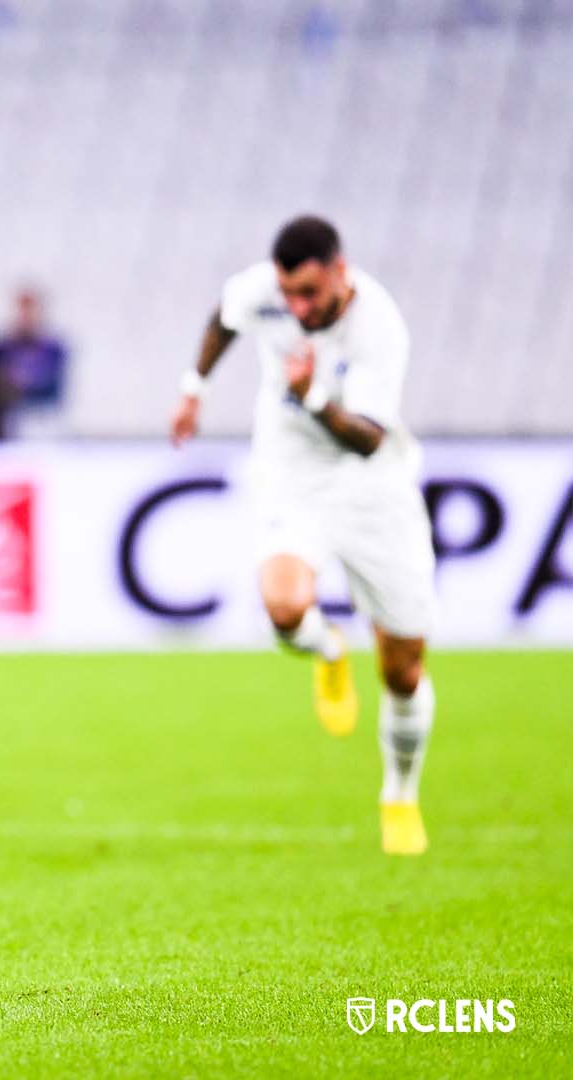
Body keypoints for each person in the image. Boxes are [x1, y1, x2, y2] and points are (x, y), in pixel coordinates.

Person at [170, 215, 436, 856]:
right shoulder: (261, 289)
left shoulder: (380, 327)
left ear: (340, 274)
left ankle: (399, 794)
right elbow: (223, 320)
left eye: (310, 295)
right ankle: (328, 649)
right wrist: (193, 390)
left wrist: (311, 396)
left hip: (375, 489)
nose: (297, 307)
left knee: (402, 670)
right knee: (285, 607)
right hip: (294, 479)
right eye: (289, 294)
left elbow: (369, 438)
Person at [0, 287, 68, 441]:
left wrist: (19, 383)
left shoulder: (52, 349)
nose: (26, 317)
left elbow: (50, 385)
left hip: (36, 411)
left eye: (30, 311)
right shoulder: (1, 347)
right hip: (3, 411)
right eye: (22, 311)